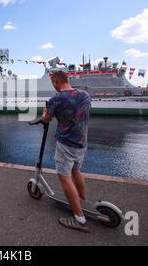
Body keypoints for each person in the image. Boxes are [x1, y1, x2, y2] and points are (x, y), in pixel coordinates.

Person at [41, 71, 91, 232]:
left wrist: (44, 112)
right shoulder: (84, 95)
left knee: (64, 177)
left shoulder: (56, 99)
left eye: (53, 83)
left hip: (66, 144)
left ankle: (79, 218)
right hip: (82, 143)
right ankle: (83, 203)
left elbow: (46, 119)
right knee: (76, 171)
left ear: (56, 82)